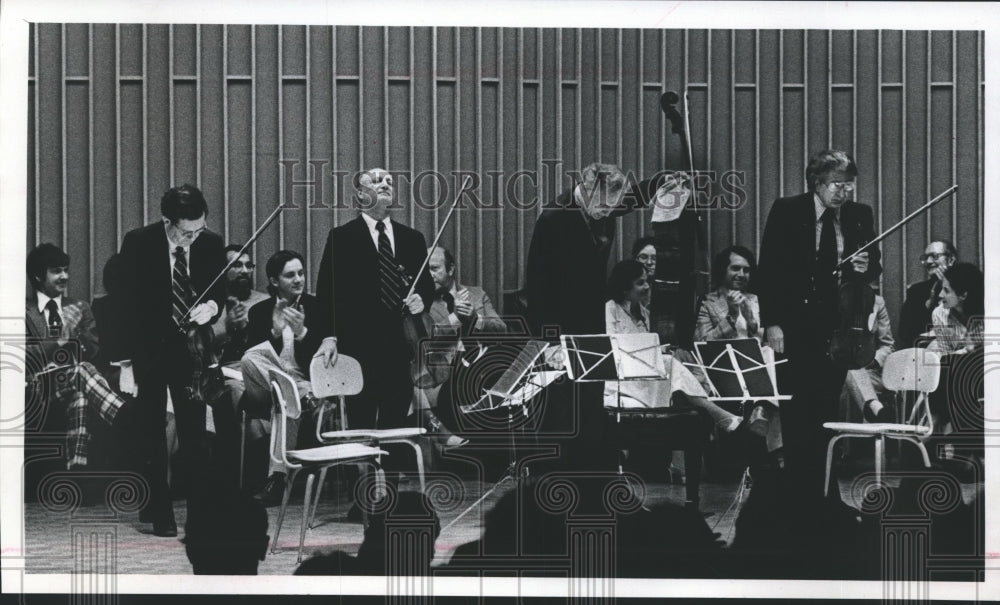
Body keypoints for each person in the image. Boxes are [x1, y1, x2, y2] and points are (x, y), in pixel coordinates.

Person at [756, 149, 881, 500]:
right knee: (797, 411)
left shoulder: (858, 215)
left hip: (838, 328)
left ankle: (826, 494)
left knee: (826, 409)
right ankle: (798, 494)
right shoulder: (787, 209)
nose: (843, 192)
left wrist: (865, 267)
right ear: (817, 183)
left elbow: (874, 267)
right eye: (836, 185)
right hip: (794, 326)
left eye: (848, 185)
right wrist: (773, 323)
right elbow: (769, 269)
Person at [115, 184, 227, 537]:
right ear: (166, 221)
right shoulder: (139, 242)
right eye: (184, 232)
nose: (192, 238)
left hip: (191, 350)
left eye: (199, 230)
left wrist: (211, 308)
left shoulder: (210, 243)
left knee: (195, 434)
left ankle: (200, 512)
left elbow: (217, 292)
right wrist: (126, 360)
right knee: (152, 433)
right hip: (150, 349)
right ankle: (160, 511)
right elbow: (125, 300)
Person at [314, 168, 433, 432]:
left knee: (395, 421)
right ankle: (365, 473)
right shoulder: (341, 237)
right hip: (359, 344)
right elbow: (327, 291)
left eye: (389, 181)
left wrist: (421, 299)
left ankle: (390, 474)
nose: (385, 185)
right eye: (377, 181)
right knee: (362, 421)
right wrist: (329, 335)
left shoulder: (413, 238)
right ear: (360, 194)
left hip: (401, 345)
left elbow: (426, 285)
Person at [24, 244, 138, 471]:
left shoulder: (79, 307)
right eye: (56, 271)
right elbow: (25, 357)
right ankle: (126, 417)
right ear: (38, 275)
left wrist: (81, 336)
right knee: (81, 370)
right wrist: (60, 340)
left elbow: (95, 352)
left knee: (80, 398)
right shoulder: (23, 310)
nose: (64, 276)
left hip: (74, 380)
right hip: (37, 385)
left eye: (66, 270)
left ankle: (78, 471)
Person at [605, 260, 745, 434]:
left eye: (647, 281)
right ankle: (716, 413)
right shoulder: (609, 309)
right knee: (668, 364)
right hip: (620, 376)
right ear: (625, 287)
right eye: (640, 283)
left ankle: (705, 425)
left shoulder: (645, 313)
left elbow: (649, 344)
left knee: (681, 364)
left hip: (644, 373)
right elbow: (612, 346)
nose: (648, 286)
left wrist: (665, 349)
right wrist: (658, 352)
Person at [240, 250, 324, 504]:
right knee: (248, 358)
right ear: (275, 281)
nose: (299, 279)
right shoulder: (258, 312)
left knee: (285, 402)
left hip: (305, 380)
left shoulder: (318, 307)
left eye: (300, 273)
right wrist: (275, 332)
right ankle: (297, 394)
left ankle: (276, 479)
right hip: (267, 384)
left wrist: (303, 333)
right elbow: (257, 356)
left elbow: (320, 360)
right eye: (290, 275)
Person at [695, 246, 783, 456]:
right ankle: (775, 447)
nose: (741, 275)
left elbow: (768, 340)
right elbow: (702, 341)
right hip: (725, 369)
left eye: (746, 270)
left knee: (768, 353)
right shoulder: (708, 302)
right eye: (735, 268)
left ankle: (761, 409)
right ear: (723, 270)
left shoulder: (758, 300)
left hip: (758, 368)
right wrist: (732, 316)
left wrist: (751, 319)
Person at [898, 239, 957, 349]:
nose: (929, 261)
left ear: (951, 260)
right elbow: (904, 333)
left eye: (934, 256)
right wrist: (929, 304)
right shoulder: (916, 291)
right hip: (924, 353)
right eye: (925, 258)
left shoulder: (965, 287)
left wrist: (946, 285)